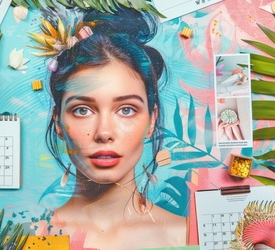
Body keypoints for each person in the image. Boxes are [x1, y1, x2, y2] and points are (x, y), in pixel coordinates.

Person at [38, 8, 188, 249]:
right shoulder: (30, 240)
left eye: (126, 109)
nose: (104, 132)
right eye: (82, 110)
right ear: (58, 122)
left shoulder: (187, 236)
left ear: (152, 120)